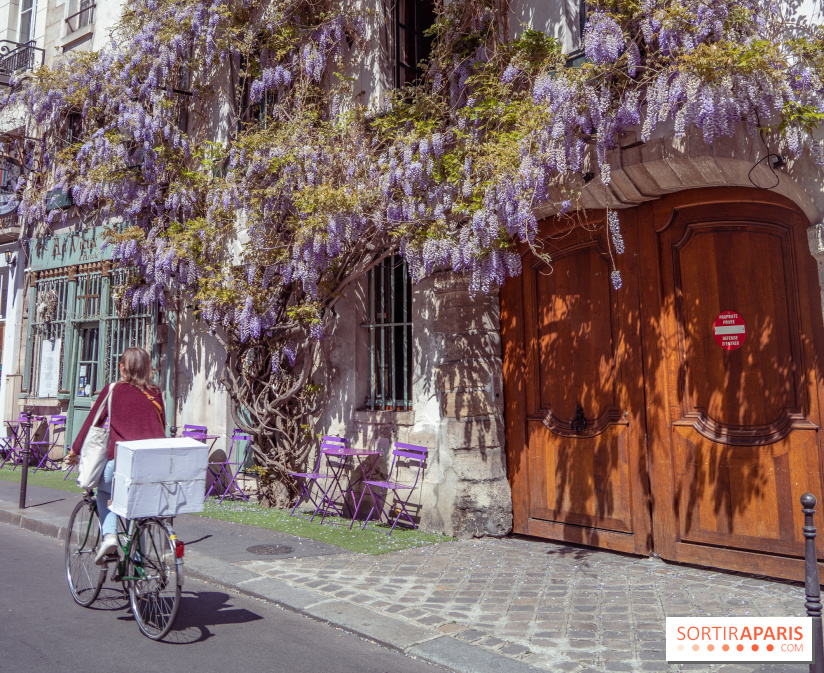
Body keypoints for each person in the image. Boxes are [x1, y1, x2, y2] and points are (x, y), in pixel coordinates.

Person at [66, 347, 166, 564]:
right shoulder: (155, 393)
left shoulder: (113, 390)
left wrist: (74, 451)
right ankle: (138, 563)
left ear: (122, 367)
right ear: (148, 368)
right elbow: (162, 427)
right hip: (152, 464)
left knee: (104, 490)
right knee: (139, 510)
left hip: (121, 463)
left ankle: (110, 536)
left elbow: (91, 423)